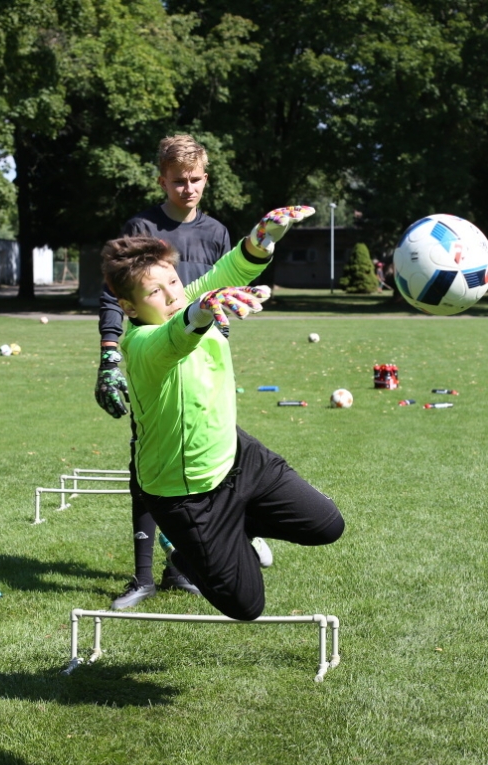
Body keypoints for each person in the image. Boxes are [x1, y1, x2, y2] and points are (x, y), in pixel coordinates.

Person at [101, 205, 344, 621]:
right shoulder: (140, 345)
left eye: (174, 282)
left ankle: (239, 528)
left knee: (327, 525)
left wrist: (261, 238)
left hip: (237, 456)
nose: (174, 294)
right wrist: (200, 311)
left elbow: (227, 272)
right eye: (154, 292)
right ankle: (193, 553)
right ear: (129, 306)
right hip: (187, 493)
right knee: (247, 606)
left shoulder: (189, 299)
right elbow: (174, 340)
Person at [97, 134, 233, 609]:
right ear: (162, 181)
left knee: (195, 460)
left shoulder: (217, 233)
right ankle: (142, 577)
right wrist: (109, 355)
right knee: (148, 461)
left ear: (206, 179)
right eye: (179, 181)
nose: (188, 189)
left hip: (201, 362)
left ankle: (180, 569)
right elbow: (115, 295)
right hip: (153, 358)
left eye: (196, 180)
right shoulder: (143, 226)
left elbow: (223, 294)